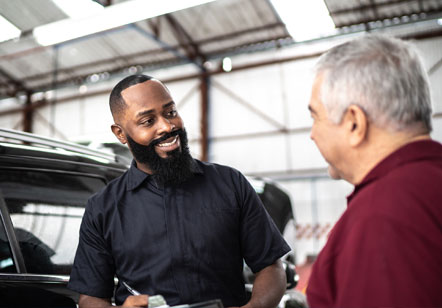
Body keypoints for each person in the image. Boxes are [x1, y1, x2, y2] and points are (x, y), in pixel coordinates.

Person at [68, 74, 291, 308]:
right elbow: (91, 298)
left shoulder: (230, 183)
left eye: (170, 112)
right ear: (120, 134)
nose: (167, 126)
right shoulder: (103, 208)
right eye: (148, 121)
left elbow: (270, 266)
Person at [306, 34, 442, 307]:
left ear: (354, 123)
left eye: (315, 117)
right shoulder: (428, 184)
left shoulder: (382, 217)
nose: (312, 134)